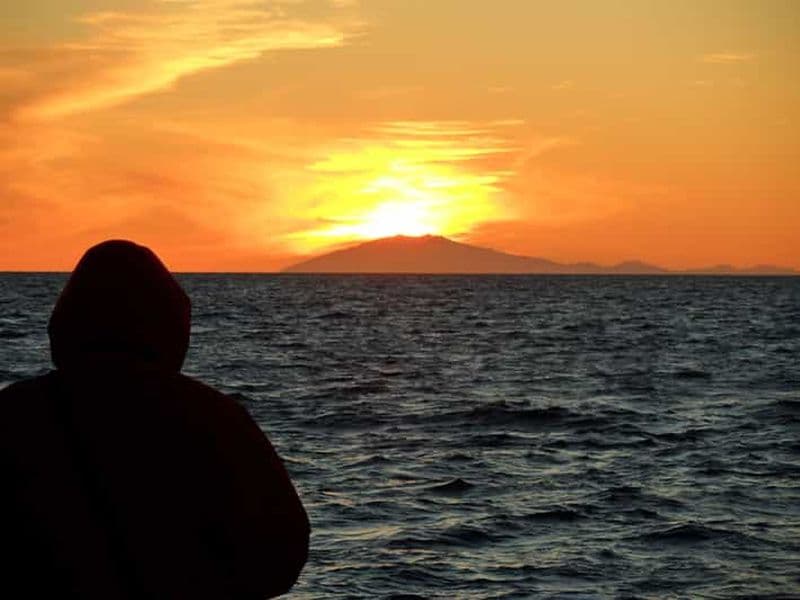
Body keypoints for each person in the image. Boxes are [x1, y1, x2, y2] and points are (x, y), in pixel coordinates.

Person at [0, 240, 309, 599]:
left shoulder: (14, 414)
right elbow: (281, 554)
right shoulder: (215, 418)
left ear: (65, 322)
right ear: (171, 324)